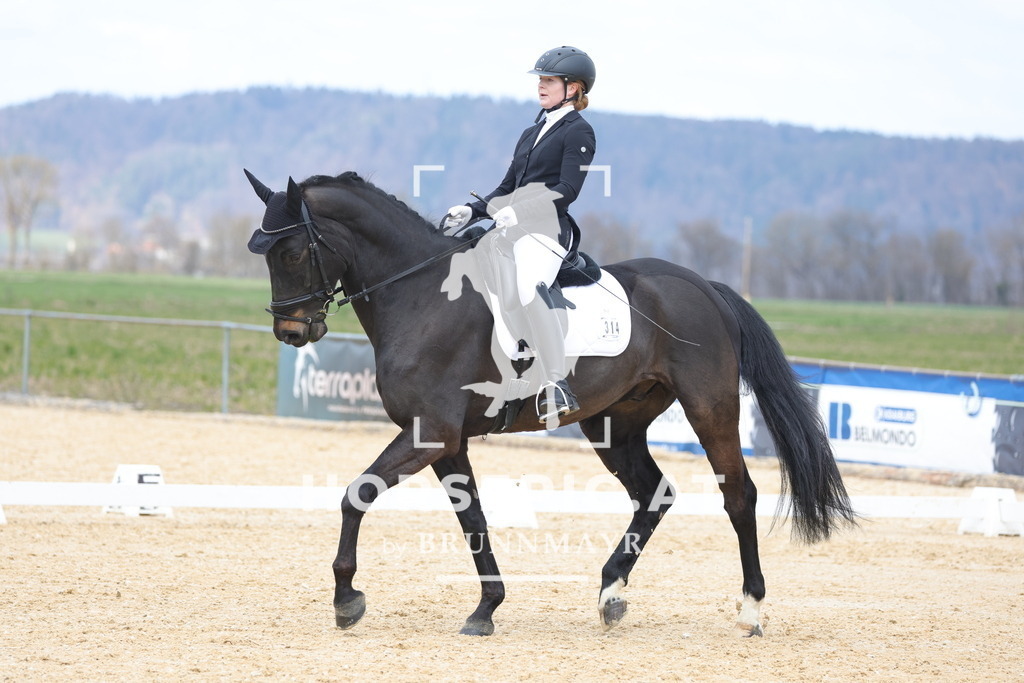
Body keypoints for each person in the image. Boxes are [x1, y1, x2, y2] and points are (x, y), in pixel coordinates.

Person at [444, 46, 597, 424]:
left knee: (530, 288)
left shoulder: (579, 131)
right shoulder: (531, 132)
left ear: (573, 88)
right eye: (540, 80)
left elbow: (567, 190)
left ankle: (557, 383)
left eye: (549, 80)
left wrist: (521, 211)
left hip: (547, 231)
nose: (541, 86)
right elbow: (507, 187)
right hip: (511, 229)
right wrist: (473, 210)